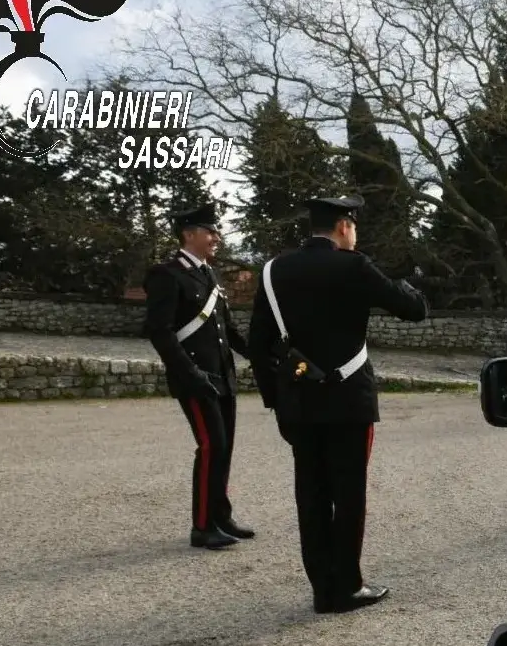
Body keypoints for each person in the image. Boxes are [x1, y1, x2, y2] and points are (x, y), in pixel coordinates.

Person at [246, 194, 429, 615]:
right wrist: (406, 282)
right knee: (349, 495)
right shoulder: (355, 266)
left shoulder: (274, 271)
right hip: (348, 401)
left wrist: (277, 398)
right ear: (344, 227)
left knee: (310, 495)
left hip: (298, 404)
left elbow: (259, 344)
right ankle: (346, 585)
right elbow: (413, 309)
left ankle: (320, 589)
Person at [142, 203, 253, 550]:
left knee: (225, 448)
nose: (216, 237)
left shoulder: (209, 275)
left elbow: (228, 330)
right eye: (210, 231)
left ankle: (221, 515)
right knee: (211, 446)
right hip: (195, 378)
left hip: (222, 375)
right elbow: (159, 331)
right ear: (189, 234)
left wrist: (262, 357)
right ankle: (202, 527)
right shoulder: (167, 274)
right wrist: (188, 373)